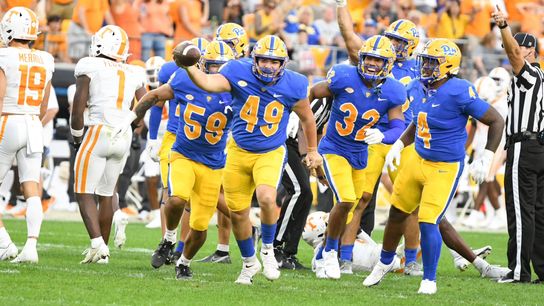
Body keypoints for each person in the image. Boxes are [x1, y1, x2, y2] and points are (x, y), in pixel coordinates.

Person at [363, 38, 505, 294]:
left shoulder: (460, 90)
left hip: (445, 166)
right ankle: (384, 262)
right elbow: (417, 122)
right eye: (425, 61)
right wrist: (399, 145)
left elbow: (496, 120)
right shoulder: (418, 87)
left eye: (432, 62)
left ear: (448, 66)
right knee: (397, 212)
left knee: (429, 220)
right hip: (418, 158)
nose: (425, 67)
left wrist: (486, 156)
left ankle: (429, 279)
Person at [182, 34, 322, 284]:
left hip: (270, 150)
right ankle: (249, 264)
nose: (268, 65)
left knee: (268, 198)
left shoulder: (294, 84)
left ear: (283, 63)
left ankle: (267, 249)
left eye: (274, 61)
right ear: (254, 59)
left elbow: (307, 118)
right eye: (263, 60)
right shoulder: (237, 70)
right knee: (238, 213)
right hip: (238, 150)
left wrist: (312, 150)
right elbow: (208, 83)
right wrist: (189, 66)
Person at [129, 40, 235, 279]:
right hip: (183, 152)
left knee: (199, 228)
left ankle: (184, 262)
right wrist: (132, 119)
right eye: (212, 65)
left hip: (213, 162)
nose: (215, 71)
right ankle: (168, 239)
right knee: (176, 199)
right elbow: (155, 96)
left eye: (221, 67)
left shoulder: (237, 91)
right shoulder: (184, 77)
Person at [309, 35, 406, 280]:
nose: (372, 63)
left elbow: (398, 126)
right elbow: (313, 92)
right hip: (333, 148)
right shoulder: (343, 76)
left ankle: (321, 255)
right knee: (345, 199)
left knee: (350, 209)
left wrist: (382, 135)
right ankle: (331, 251)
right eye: (369, 58)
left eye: (378, 59)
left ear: (389, 64)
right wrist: (299, 120)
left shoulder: (394, 90)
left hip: (359, 153)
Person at [71, 25, 147, 264]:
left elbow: (78, 107)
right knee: (107, 194)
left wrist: (76, 136)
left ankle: (97, 243)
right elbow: (144, 104)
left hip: (98, 130)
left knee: (83, 192)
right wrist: (133, 126)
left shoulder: (89, 65)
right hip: (122, 135)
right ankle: (102, 253)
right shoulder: (134, 71)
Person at [492, 7, 544, 284]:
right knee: (538, 213)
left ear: (531, 51)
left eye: (519, 48)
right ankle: (542, 270)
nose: (513, 51)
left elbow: (513, 56)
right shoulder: (543, 79)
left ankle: (519, 271)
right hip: (539, 147)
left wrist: (503, 26)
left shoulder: (531, 76)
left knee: (521, 212)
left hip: (524, 145)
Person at [0, 7, 54, 263]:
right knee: (31, 186)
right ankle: (31, 246)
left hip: (7, 119)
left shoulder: (4, 56)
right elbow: (44, 103)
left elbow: (0, 96)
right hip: (33, 122)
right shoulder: (46, 59)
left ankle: (4, 243)